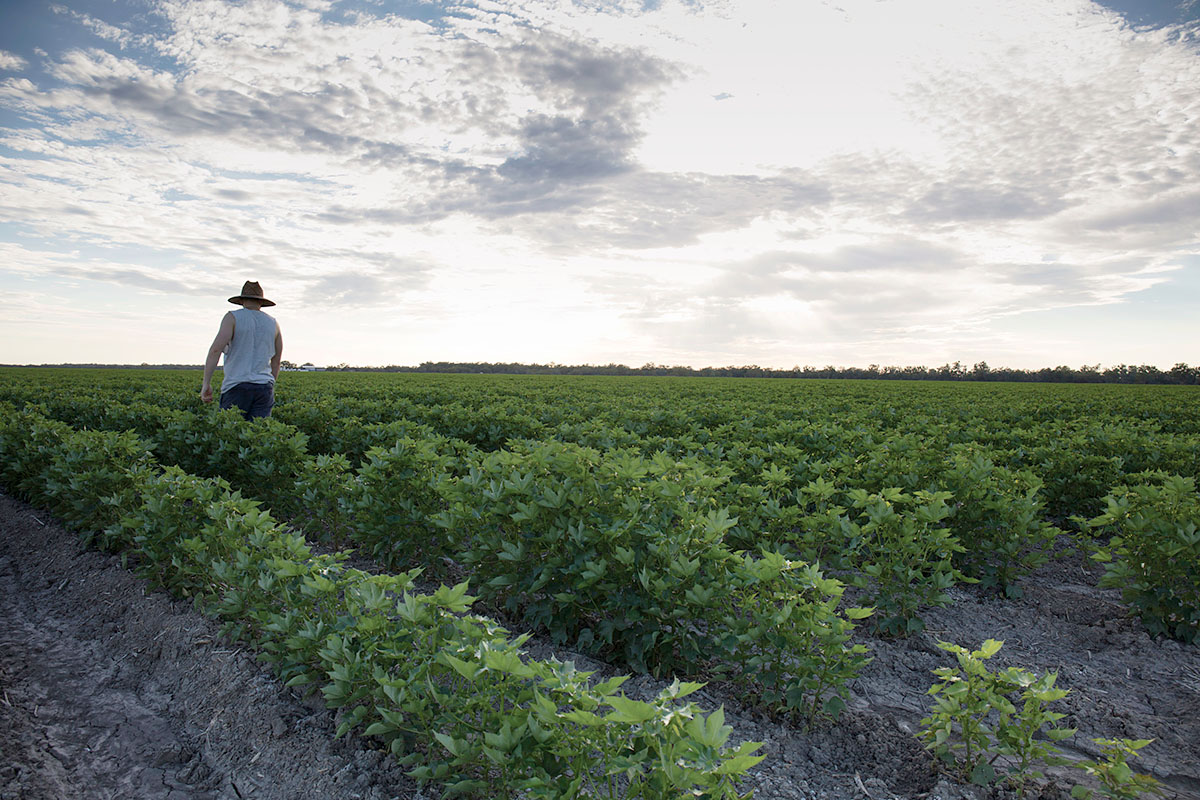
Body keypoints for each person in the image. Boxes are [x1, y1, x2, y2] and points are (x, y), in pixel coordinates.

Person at [201, 281, 283, 419]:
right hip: (264, 388)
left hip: (236, 386)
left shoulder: (232, 317)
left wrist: (206, 384)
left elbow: (215, 350)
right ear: (261, 302)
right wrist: (269, 384)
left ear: (242, 300)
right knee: (258, 434)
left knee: (231, 434)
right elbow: (276, 360)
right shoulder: (273, 323)